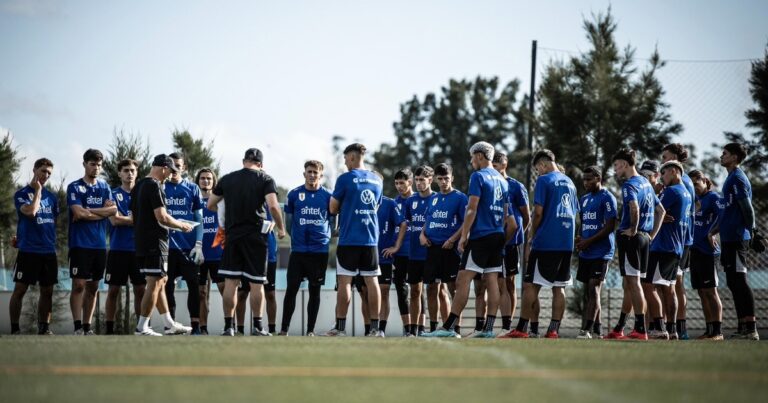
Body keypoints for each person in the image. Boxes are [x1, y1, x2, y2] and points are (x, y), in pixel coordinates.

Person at [423, 141, 510, 338]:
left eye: (472, 157)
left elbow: (471, 209)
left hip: (481, 236)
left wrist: (463, 237)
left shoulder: (478, 176)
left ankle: (449, 327)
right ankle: (487, 329)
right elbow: (506, 214)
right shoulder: (502, 180)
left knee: (462, 280)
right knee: (492, 280)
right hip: (497, 234)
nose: (471, 161)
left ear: (479, 156)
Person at [207, 148, 285, 337]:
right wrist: (281, 228)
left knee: (231, 282)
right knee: (257, 283)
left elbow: (211, 204)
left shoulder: (227, 179)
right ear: (261, 164)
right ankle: (258, 327)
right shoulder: (265, 179)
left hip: (233, 236)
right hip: (256, 237)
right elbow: (273, 206)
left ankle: (229, 327)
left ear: (244, 161)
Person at [505, 149, 577, 339]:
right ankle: (553, 330)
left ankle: (521, 329)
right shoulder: (570, 182)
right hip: (566, 243)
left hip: (547, 242)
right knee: (559, 287)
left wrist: (531, 236)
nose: (538, 173)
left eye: (538, 169)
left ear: (543, 164)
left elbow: (538, 213)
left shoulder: (545, 180)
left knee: (530, 286)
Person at [604, 148, 664, 340]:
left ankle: (640, 329)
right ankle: (620, 327)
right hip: (644, 239)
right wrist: (651, 235)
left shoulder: (630, 185)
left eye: (616, 165)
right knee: (629, 284)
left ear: (624, 164)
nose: (615, 169)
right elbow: (660, 211)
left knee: (633, 283)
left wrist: (632, 228)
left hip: (632, 238)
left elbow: (633, 208)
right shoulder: (646, 183)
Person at [131, 154, 194, 336]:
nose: (170, 175)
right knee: (155, 282)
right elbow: (162, 216)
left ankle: (169, 323)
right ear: (164, 168)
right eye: (170, 171)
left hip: (142, 241)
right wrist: (182, 225)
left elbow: (134, 217)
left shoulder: (139, 185)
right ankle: (142, 327)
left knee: (161, 280)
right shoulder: (154, 185)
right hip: (155, 242)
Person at [325, 143, 383, 337]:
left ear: (351, 157)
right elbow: (377, 206)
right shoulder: (377, 179)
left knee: (345, 283)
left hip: (349, 239)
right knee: (372, 281)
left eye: (345, 159)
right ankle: (376, 329)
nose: (345, 162)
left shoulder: (345, 179)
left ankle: (340, 328)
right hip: (370, 239)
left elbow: (333, 208)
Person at [710, 143, 759, 340]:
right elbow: (727, 211)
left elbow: (747, 208)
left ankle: (751, 327)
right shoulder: (729, 178)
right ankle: (742, 327)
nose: (722, 156)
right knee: (732, 282)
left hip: (738, 238)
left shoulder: (738, 178)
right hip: (728, 239)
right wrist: (714, 231)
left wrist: (753, 231)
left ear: (735, 157)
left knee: (740, 281)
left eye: (725, 153)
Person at [279, 161, 334, 336]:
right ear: (304, 174)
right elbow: (287, 222)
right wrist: (295, 238)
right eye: (309, 172)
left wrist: (326, 236)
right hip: (299, 250)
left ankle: (310, 330)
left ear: (321, 176)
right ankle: (284, 329)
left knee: (314, 291)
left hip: (319, 251)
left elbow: (334, 221)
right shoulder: (294, 194)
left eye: (315, 172)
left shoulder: (328, 196)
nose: (312, 175)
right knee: (291, 289)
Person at [67, 149, 116, 335]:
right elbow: (78, 213)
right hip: (79, 244)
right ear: (85, 164)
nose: (96, 168)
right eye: (92, 164)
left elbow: (113, 212)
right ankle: (77, 327)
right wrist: (98, 212)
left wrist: (89, 212)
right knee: (79, 285)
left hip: (99, 245)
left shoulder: (105, 187)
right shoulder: (74, 187)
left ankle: (88, 327)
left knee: (93, 287)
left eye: (99, 165)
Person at [10, 158, 59, 335]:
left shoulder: (52, 198)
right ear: (34, 170)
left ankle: (44, 328)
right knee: (20, 289)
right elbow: (30, 212)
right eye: (43, 171)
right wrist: (38, 191)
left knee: (47, 291)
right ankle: (15, 329)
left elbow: (51, 222)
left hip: (48, 251)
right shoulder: (21, 194)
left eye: (49, 173)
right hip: (28, 251)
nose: (45, 175)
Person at [643, 160, 691, 340]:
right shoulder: (686, 192)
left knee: (648, 285)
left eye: (663, 174)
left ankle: (660, 327)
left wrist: (657, 215)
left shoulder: (671, 191)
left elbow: (654, 210)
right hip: (676, 246)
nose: (662, 178)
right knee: (669, 288)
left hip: (662, 246)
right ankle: (672, 329)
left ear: (673, 171)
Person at [420, 163, 467, 333]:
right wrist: (422, 234)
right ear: (436, 180)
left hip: (450, 250)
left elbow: (466, 223)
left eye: (446, 178)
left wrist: (453, 239)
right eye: (440, 179)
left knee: (453, 289)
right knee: (431, 288)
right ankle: (433, 327)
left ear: (452, 178)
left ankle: (456, 328)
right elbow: (429, 218)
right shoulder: (433, 198)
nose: (443, 182)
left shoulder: (461, 198)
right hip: (432, 249)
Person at [163, 153, 205, 335]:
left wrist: (199, 244)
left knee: (194, 286)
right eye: (171, 166)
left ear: (184, 167)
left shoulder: (192, 188)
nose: (174, 170)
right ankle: (170, 324)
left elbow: (199, 218)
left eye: (178, 166)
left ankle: (195, 326)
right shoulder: (160, 187)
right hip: (166, 247)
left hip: (188, 247)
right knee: (167, 286)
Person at [574, 166, 617, 339]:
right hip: (586, 252)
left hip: (602, 252)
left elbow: (610, 226)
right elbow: (584, 223)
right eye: (584, 180)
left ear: (598, 178)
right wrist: (580, 238)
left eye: (589, 179)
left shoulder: (607, 198)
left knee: (594, 290)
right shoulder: (584, 199)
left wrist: (588, 241)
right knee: (589, 292)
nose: (586, 183)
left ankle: (586, 330)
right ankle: (598, 331)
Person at [492, 152, 530, 334]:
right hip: (494, 240)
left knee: (509, 282)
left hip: (511, 241)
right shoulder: (489, 185)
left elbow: (526, 216)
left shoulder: (516, 186)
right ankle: (502, 325)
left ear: (504, 165)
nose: (493, 169)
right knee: (497, 282)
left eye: (496, 165)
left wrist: (518, 235)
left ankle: (508, 325)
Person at [104, 159, 144, 335]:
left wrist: (125, 219)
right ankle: (109, 330)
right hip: (118, 248)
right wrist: (137, 220)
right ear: (119, 173)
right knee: (113, 290)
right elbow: (114, 220)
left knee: (140, 290)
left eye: (133, 170)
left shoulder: (143, 194)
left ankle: (141, 328)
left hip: (139, 250)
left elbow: (145, 220)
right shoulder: (112, 195)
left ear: (137, 173)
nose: (130, 173)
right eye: (126, 170)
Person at [661, 143, 696, 339]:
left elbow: (686, 210)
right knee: (673, 284)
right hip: (681, 239)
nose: (663, 161)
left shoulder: (683, 182)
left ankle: (679, 329)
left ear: (675, 157)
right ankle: (673, 327)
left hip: (681, 240)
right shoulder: (678, 183)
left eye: (665, 157)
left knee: (676, 284)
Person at [688, 170, 724, 340]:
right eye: (691, 184)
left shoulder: (713, 198)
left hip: (708, 252)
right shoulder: (694, 200)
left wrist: (712, 232)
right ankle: (709, 330)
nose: (694, 187)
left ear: (705, 182)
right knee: (702, 292)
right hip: (694, 250)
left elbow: (723, 216)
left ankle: (718, 331)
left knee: (711, 291)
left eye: (696, 183)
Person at [404, 165, 436, 335]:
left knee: (435, 290)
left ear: (430, 180)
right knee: (415, 291)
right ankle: (413, 330)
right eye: (416, 180)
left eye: (422, 180)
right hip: (414, 254)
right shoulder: (410, 201)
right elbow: (407, 224)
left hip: (432, 253)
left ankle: (436, 328)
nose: (418, 183)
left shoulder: (438, 199)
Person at [392, 168, 421, 336]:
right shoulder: (394, 203)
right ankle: (407, 328)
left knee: (418, 290)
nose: (399, 186)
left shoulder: (420, 199)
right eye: (396, 183)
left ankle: (421, 327)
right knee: (401, 290)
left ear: (410, 182)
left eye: (402, 183)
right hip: (400, 254)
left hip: (417, 252)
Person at [197, 168, 222, 335]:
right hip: (199, 255)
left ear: (214, 182)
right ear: (198, 181)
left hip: (218, 254)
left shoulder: (221, 203)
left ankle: (230, 325)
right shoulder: (194, 201)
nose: (206, 181)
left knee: (224, 288)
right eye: (203, 178)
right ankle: (202, 328)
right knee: (201, 292)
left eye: (209, 179)